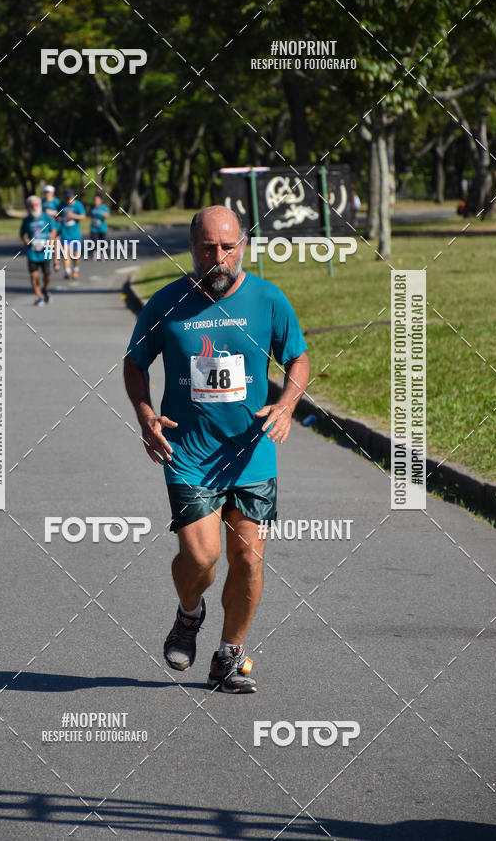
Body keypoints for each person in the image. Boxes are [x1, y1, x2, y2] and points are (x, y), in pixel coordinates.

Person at [124, 205, 309, 693]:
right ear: (192, 247)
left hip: (252, 453)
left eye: (228, 247)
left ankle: (229, 653)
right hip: (187, 454)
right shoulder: (166, 303)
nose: (219, 257)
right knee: (201, 559)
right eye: (209, 247)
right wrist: (146, 416)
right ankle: (189, 613)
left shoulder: (268, 300)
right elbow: (135, 362)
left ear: (242, 246)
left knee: (248, 559)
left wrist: (286, 405)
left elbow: (298, 358)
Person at [20, 195, 52, 305]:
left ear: (40, 205)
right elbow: (22, 234)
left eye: (36, 204)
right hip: (32, 250)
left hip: (47, 249)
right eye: (32, 205)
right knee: (34, 275)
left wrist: (50, 240)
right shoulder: (27, 220)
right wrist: (25, 240)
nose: (34, 207)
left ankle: (46, 289)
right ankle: (38, 296)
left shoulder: (46, 217)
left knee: (47, 274)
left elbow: (53, 231)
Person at [57, 188, 85, 279]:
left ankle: (76, 269)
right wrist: (60, 219)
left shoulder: (78, 205)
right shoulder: (62, 205)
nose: (68, 200)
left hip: (75, 234)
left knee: (76, 255)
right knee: (66, 253)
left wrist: (73, 216)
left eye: (70, 198)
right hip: (65, 233)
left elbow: (83, 216)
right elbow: (58, 216)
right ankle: (67, 271)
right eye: (67, 198)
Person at [41, 184, 61, 271]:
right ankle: (48, 261)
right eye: (45, 192)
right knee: (48, 244)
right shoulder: (42, 202)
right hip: (46, 227)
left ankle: (56, 262)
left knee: (56, 244)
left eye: (48, 192)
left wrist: (52, 212)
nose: (47, 194)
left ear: (52, 193)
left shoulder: (57, 202)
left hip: (56, 226)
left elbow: (61, 213)